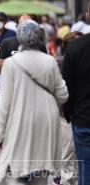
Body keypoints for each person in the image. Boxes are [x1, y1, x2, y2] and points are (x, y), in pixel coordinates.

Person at [0, 20, 68, 185]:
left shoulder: (11, 64)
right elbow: (63, 95)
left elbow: (4, 103)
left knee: (17, 170)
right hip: (47, 121)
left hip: (20, 120)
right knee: (40, 172)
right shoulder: (50, 61)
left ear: (19, 38)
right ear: (40, 37)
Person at [62, 2, 90, 185]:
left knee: (85, 170)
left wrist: (70, 113)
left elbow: (67, 88)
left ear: (87, 15)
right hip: (81, 117)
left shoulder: (75, 48)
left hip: (83, 117)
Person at [52, 31, 83, 185]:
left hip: (81, 112)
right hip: (65, 113)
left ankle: (74, 179)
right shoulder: (58, 63)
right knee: (68, 150)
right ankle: (66, 180)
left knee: (78, 152)